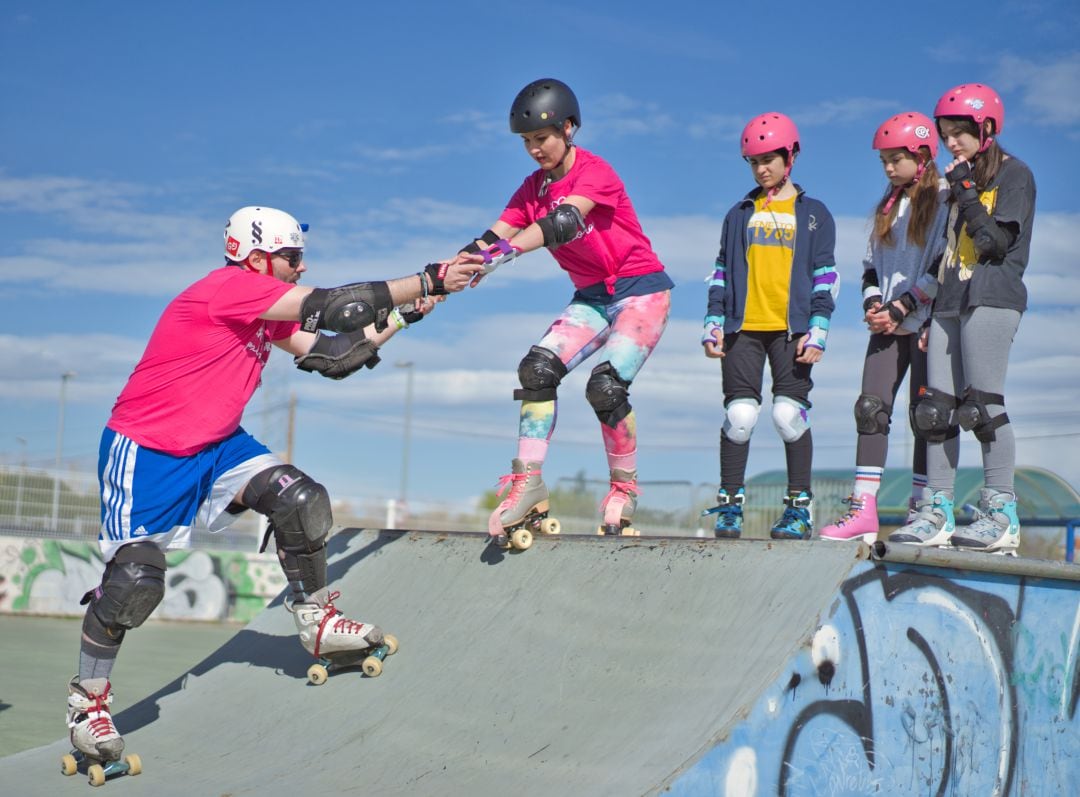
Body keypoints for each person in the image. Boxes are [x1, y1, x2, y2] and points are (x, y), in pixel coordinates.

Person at [66, 206, 481, 764]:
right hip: (148, 452)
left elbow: (337, 354)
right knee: (136, 582)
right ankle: (88, 704)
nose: (300, 266)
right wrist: (427, 277)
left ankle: (316, 621)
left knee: (301, 500)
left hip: (218, 447)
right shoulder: (229, 289)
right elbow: (334, 305)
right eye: (292, 257)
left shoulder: (267, 310)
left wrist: (409, 313)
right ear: (257, 257)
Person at [446, 77, 673, 540]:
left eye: (542, 139)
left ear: (569, 128)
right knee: (536, 370)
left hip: (641, 292)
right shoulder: (531, 189)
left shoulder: (595, 172)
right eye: (527, 142)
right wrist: (445, 273)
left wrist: (498, 258)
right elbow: (491, 237)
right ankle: (527, 483)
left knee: (605, 387)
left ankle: (623, 490)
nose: (534, 150)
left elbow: (563, 222)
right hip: (591, 298)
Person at [888, 84, 1036, 555]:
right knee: (934, 412)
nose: (951, 142)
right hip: (949, 302)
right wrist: (928, 313)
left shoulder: (1015, 176)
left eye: (960, 133)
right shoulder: (958, 183)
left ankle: (1001, 513)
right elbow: (949, 253)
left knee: (983, 407)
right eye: (946, 134)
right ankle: (936, 510)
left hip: (992, 298)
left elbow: (993, 244)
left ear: (987, 128)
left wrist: (968, 192)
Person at [701, 112, 838, 540]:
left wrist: (818, 329)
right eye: (754, 161)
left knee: (786, 415)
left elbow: (826, 276)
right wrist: (713, 321)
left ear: (791, 156)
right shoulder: (739, 213)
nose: (762, 169)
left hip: (791, 331)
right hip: (743, 328)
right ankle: (729, 506)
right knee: (740, 416)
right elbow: (721, 270)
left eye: (770, 159)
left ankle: (798, 509)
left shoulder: (814, 214)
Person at [819, 113, 948, 543]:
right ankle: (863, 511)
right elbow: (870, 265)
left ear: (923, 156)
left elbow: (941, 266)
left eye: (897, 159)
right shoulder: (887, 207)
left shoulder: (945, 199)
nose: (890, 168)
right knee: (870, 410)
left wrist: (904, 305)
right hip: (887, 327)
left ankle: (921, 509)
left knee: (926, 418)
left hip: (926, 322)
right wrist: (875, 303)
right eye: (884, 162)